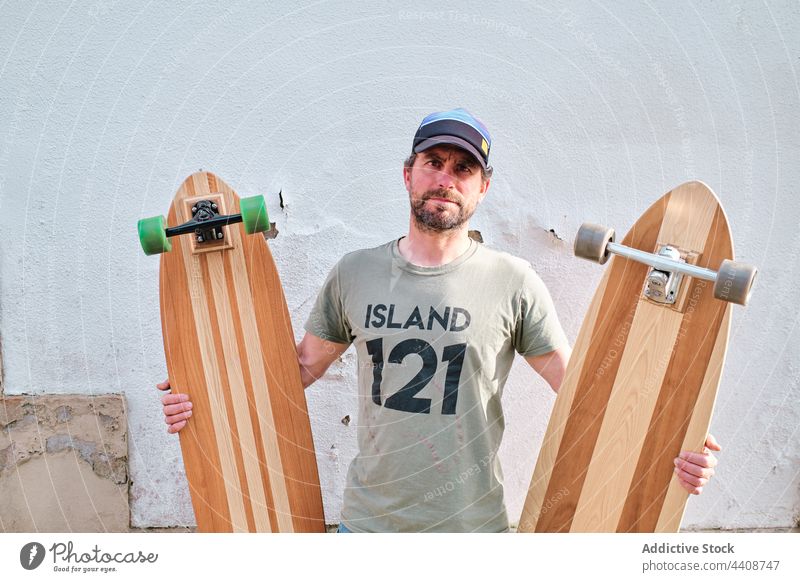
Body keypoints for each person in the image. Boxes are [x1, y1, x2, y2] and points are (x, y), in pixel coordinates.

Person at [157, 108, 722, 532]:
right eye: (433, 163)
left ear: (483, 186)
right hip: (367, 529)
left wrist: (668, 437)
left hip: (473, 533)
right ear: (409, 174)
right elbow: (293, 372)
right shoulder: (354, 273)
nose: (445, 178)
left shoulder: (514, 281)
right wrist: (201, 401)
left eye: (463, 169)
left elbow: (582, 394)